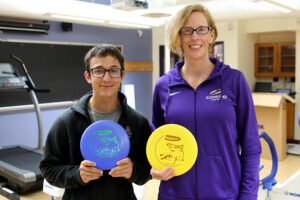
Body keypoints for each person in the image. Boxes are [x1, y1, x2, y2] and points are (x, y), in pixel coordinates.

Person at [150, 4, 262, 200]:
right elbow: (157, 137)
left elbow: (251, 146)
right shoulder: (164, 85)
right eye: (187, 30)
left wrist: (248, 195)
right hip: (174, 194)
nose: (195, 37)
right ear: (179, 37)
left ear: (212, 35)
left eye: (201, 29)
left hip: (224, 193)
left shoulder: (234, 81)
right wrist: (154, 165)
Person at [40, 44, 152, 200]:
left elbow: (148, 170)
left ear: (122, 75)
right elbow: (48, 168)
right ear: (88, 76)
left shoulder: (138, 122)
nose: (106, 78)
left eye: (113, 70)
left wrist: (133, 171)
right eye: (99, 71)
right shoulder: (67, 122)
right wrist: (76, 174)